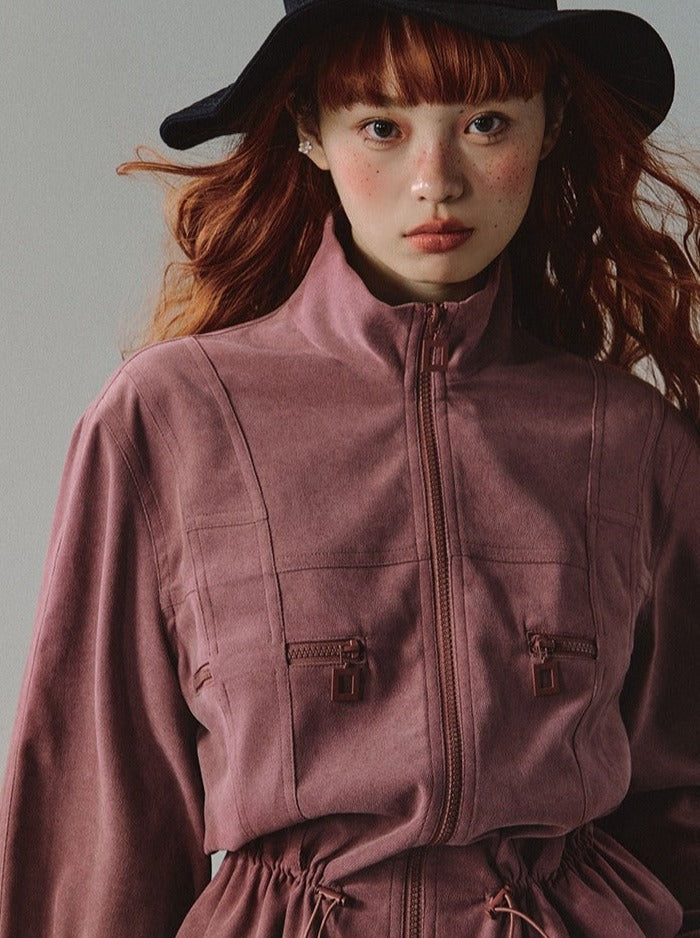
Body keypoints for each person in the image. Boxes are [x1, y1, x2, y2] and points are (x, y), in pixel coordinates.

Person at [1, 0, 698, 935]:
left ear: (551, 123)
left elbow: (683, 814)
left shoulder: (635, 443)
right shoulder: (166, 422)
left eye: (487, 122)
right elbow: (94, 821)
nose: (436, 180)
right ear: (308, 126)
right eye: (382, 126)